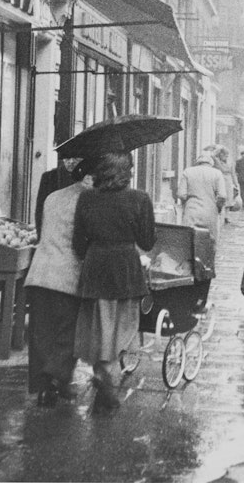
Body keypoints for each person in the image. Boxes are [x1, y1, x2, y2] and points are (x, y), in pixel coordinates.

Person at [72, 151, 156, 411]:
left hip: (96, 267)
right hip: (125, 269)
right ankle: (109, 376)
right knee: (124, 326)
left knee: (99, 326)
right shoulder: (140, 199)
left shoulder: (86, 198)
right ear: (126, 172)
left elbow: (78, 243)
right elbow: (147, 242)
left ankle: (103, 373)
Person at [25, 158, 95, 406]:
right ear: (91, 177)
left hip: (40, 272)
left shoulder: (53, 197)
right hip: (67, 275)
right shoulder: (88, 200)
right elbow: (83, 241)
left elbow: (42, 228)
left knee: (41, 334)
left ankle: (44, 388)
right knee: (68, 332)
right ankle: (56, 380)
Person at [177, 151, 226, 250]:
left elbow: (181, 194)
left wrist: (187, 204)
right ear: (211, 163)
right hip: (210, 213)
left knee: (188, 244)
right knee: (209, 244)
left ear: (197, 162)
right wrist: (218, 208)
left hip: (191, 212)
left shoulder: (187, 172)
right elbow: (222, 196)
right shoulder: (217, 173)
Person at [34, 158, 77, 239]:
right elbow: (40, 210)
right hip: (54, 235)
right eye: (67, 157)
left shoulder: (88, 179)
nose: (71, 161)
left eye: (76, 157)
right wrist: (41, 237)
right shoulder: (49, 177)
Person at [207, 143, 239, 222]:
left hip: (228, 181)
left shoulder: (231, 163)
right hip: (219, 180)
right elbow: (212, 155)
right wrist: (218, 149)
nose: (225, 157)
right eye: (223, 155)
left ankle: (227, 216)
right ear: (220, 154)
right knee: (219, 197)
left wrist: (236, 184)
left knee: (229, 198)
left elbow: (233, 173)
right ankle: (219, 214)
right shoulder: (216, 161)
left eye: (227, 155)